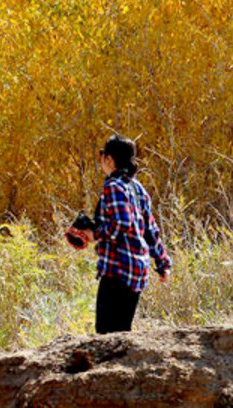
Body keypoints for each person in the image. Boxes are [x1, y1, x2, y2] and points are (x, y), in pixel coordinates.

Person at [91, 135, 172, 334]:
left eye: (102, 155)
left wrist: (95, 234)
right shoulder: (137, 188)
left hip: (117, 269)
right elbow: (151, 230)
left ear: (109, 159)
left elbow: (121, 224)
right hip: (137, 270)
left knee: (105, 332)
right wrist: (162, 263)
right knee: (122, 332)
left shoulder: (113, 186)